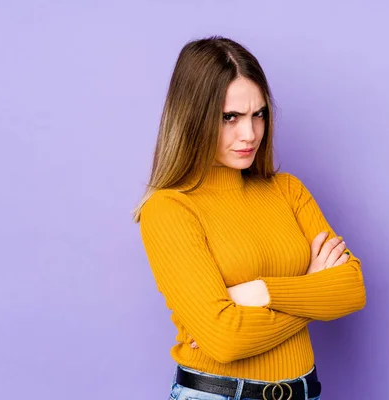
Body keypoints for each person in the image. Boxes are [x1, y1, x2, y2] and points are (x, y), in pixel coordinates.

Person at [133, 36, 366, 400]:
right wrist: (312, 288)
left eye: (258, 114)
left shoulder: (288, 190)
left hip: (305, 392)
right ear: (193, 119)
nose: (250, 134)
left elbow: (352, 288)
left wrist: (258, 293)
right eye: (230, 117)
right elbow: (225, 339)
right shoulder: (169, 209)